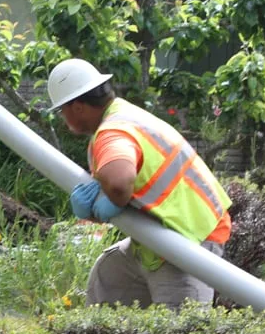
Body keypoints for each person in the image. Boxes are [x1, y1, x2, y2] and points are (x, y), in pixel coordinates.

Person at [47, 58, 231, 308]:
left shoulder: (113, 130)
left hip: (189, 242)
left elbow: (120, 183)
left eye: (61, 110)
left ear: (77, 107)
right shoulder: (125, 115)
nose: (62, 117)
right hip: (163, 237)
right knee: (107, 278)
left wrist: (108, 203)